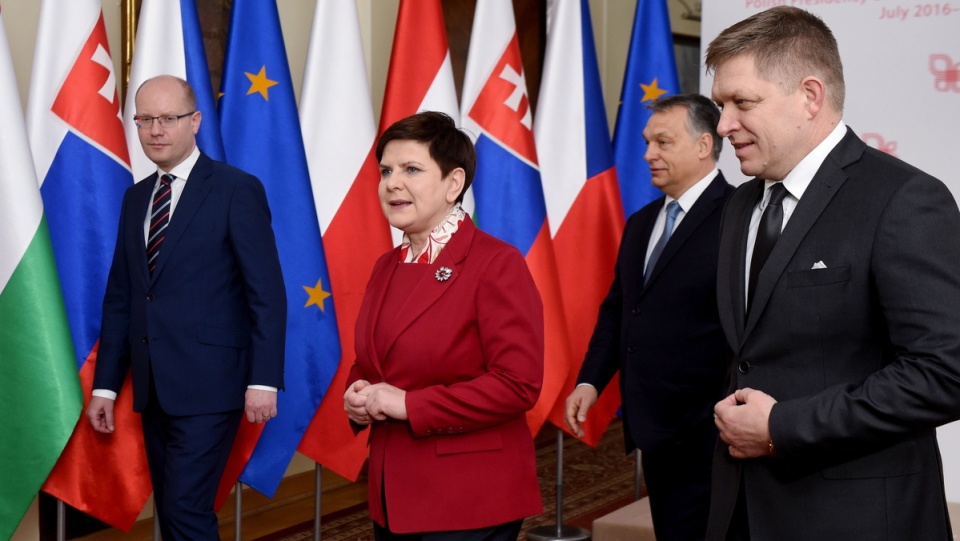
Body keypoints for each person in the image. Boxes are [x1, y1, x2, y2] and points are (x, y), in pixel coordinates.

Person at [706, 6, 960, 540]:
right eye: (720, 105)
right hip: (742, 511)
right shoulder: (739, 205)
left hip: (857, 519)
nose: (724, 125)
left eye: (742, 103)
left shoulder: (903, 199)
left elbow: (945, 373)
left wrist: (782, 427)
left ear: (810, 96)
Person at [87, 75, 286, 541]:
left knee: (185, 508)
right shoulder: (137, 197)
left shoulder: (236, 188)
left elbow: (267, 293)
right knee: (175, 511)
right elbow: (123, 297)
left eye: (168, 119)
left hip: (213, 385)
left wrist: (264, 380)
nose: (156, 130)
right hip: (154, 387)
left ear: (194, 121)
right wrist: (107, 388)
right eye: (144, 120)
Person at [343, 111, 543, 540]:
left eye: (411, 169)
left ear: (454, 184)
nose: (392, 182)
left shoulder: (496, 264)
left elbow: (517, 385)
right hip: (392, 494)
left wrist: (410, 405)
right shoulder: (387, 265)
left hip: (467, 499)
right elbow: (375, 360)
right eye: (386, 171)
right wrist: (357, 391)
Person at [565, 94, 733, 541]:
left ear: (703, 145)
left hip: (712, 432)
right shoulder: (641, 222)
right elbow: (621, 309)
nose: (647, 155)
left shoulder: (740, 215)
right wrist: (590, 381)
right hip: (656, 429)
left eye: (662, 142)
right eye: (646, 142)